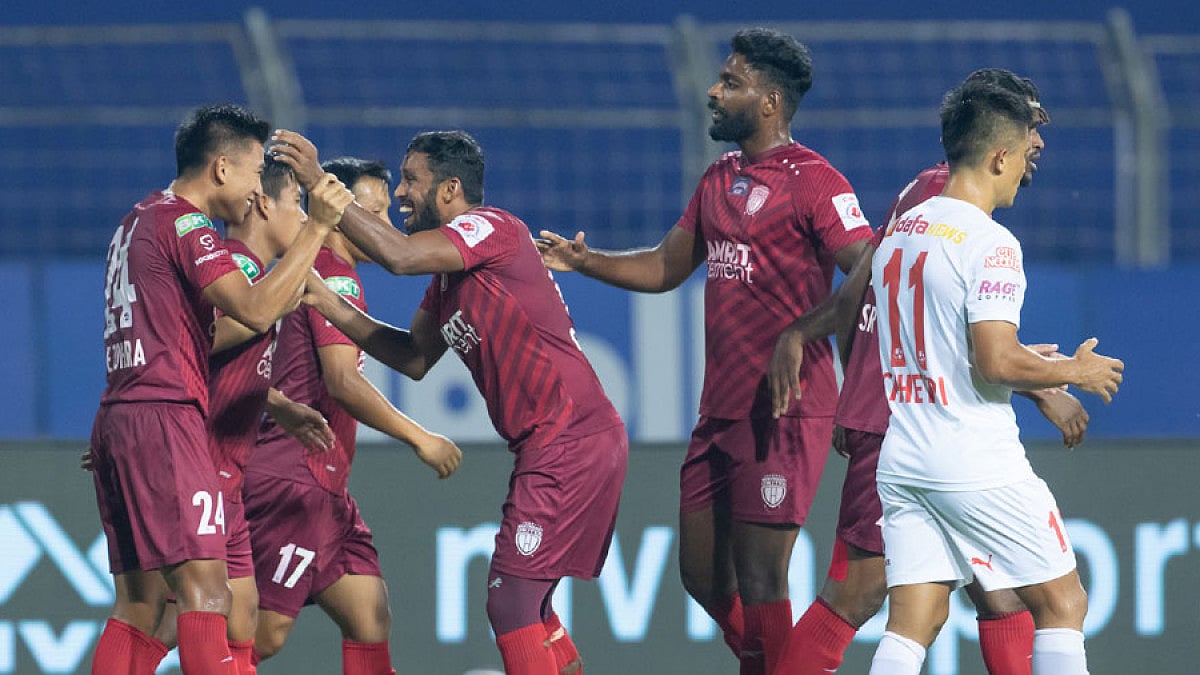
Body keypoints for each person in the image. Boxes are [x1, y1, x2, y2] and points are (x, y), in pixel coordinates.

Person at [537, 28, 872, 674]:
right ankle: (778, 662)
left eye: (731, 82)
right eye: (719, 79)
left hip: (787, 409)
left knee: (760, 576)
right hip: (720, 412)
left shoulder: (817, 182)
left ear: (770, 101)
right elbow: (668, 264)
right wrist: (586, 262)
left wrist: (805, 336)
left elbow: (869, 269)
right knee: (700, 573)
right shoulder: (719, 176)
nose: (714, 92)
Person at [273, 129, 628, 675]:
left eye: (411, 180)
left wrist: (322, 185)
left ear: (451, 188)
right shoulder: (449, 277)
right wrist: (326, 300)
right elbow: (414, 356)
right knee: (532, 608)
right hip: (557, 443)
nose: (400, 195)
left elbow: (396, 256)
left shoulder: (490, 227)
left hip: (569, 438)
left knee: (509, 601)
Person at [774, 69, 1089, 675]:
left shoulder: (909, 222)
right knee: (1056, 600)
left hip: (904, 442)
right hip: (938, 436)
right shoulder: (975, 228)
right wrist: (1057, 375)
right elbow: (981, 354)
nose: (1039, 143)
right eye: (1031, 124)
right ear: (996, 142)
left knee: (936, 613)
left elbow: (887, 311)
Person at [865, 80, 1123, 675]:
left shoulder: (901, 232)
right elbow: (995, 361)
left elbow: (939, 345)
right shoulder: (992, 244)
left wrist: (1019, 361)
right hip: (973, 457)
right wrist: (1073, 370)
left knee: (913, 622)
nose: (1025, 170)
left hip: (905, 456)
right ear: (998, 157)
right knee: (1063, 601)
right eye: (1024, 157)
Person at [88, 104, 352, 675]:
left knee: (138, 606)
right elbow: (254, 310)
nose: (259, 189)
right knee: (208, 596)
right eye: (257, 172)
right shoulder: (185, 223)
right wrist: (319, 226)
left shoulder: (134, 220)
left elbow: (182, 333)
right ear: (222, 168)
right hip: (167, 417)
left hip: (125, 410)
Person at [241, 155, 463, 675]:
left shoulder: (317, 269)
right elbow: (342, 381)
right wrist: (419, 437)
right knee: (263, 636)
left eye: (386, 214)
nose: (384, 228)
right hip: (294, 481)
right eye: (374, 213)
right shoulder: (330, 274)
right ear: (339, 213)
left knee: (369, 616)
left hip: (326, 487)